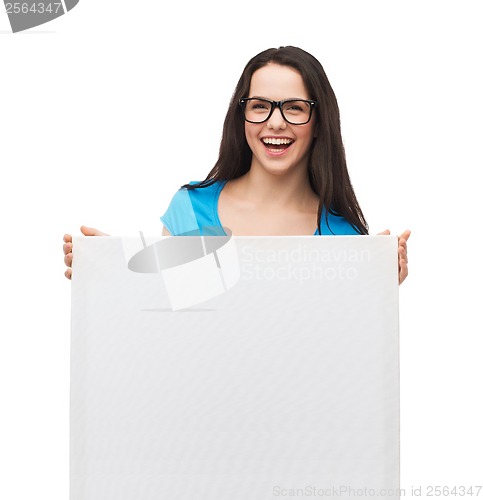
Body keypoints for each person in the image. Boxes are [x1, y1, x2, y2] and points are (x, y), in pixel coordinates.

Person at [63, 46, 410, 283]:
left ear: (319, 123)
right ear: (241, 116)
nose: (275, 123)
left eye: (295, 107)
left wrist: (377, 283)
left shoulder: (343, 237)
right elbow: (170, 324)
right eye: (260, 105)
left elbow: (343, 353)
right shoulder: (193, 209)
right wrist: (111, 272)